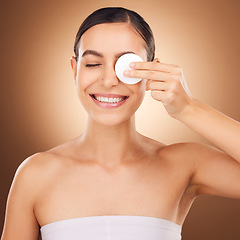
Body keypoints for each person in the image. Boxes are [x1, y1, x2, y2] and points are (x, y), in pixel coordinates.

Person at [1, 6, 240, 240]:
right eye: (93, 64)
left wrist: (189, 109)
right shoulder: (36, 174)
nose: (108, 81)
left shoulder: (184, 165)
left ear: (151, 72)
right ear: (75, 70)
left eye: (125, 66)